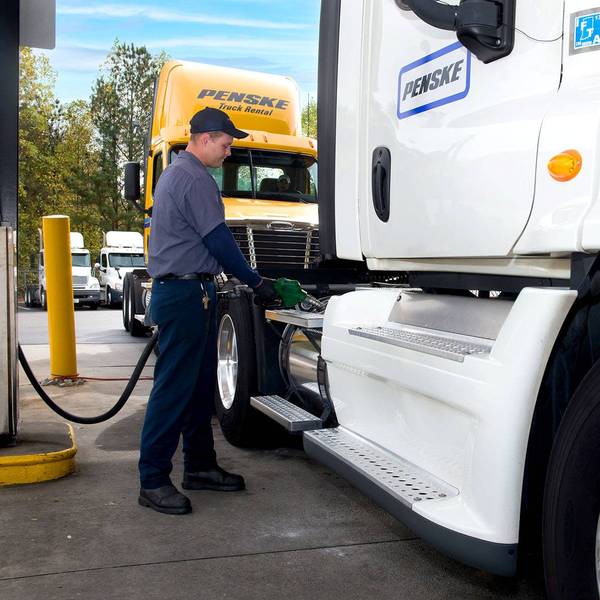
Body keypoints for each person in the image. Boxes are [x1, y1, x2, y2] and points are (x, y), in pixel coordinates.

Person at [138, 107, 279, 515]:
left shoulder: (179, 174)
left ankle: (199, 466)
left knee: (198, 389)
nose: (228, 151)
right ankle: (152, 480)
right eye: (225, 143)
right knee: (173, 392)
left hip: (189, 293)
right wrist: (256, 281)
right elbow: (219, 241)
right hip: (183, 297)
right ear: (204, 139)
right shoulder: (194, 178)